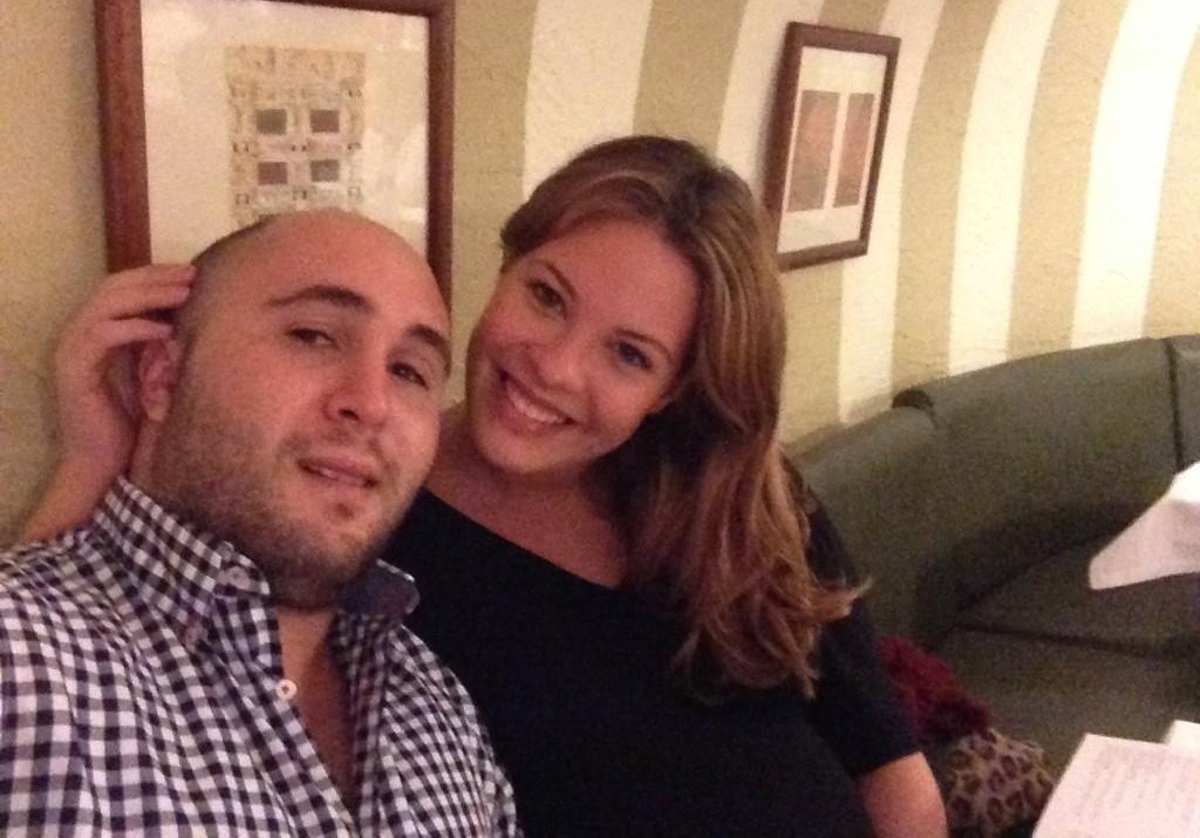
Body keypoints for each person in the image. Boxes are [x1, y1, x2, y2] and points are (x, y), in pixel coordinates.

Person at [22, 138, 946, 837]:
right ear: (505, 269)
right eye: (547, 297)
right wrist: (94, 457)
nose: (554, 367)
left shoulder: (742, 505)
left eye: (628, 355)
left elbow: (893, 775)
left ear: (671, 391)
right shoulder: (363, 508)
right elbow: (80, 649)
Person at [4, 211, 518, 835]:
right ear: (161, 376)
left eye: (409, 371)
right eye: (313, 336)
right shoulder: (22, 662)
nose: (371, 403)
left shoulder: (439, 711)